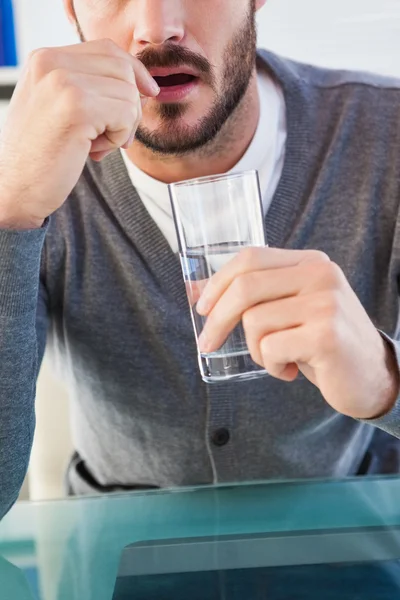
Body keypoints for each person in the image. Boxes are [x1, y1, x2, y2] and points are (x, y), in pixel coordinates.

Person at [1, 0, 400, 519]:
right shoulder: (25, 172)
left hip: (346, 543)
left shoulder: (386, 136)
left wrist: (386, 383)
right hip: (115, 558)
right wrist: (10, 219)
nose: (155, 29)